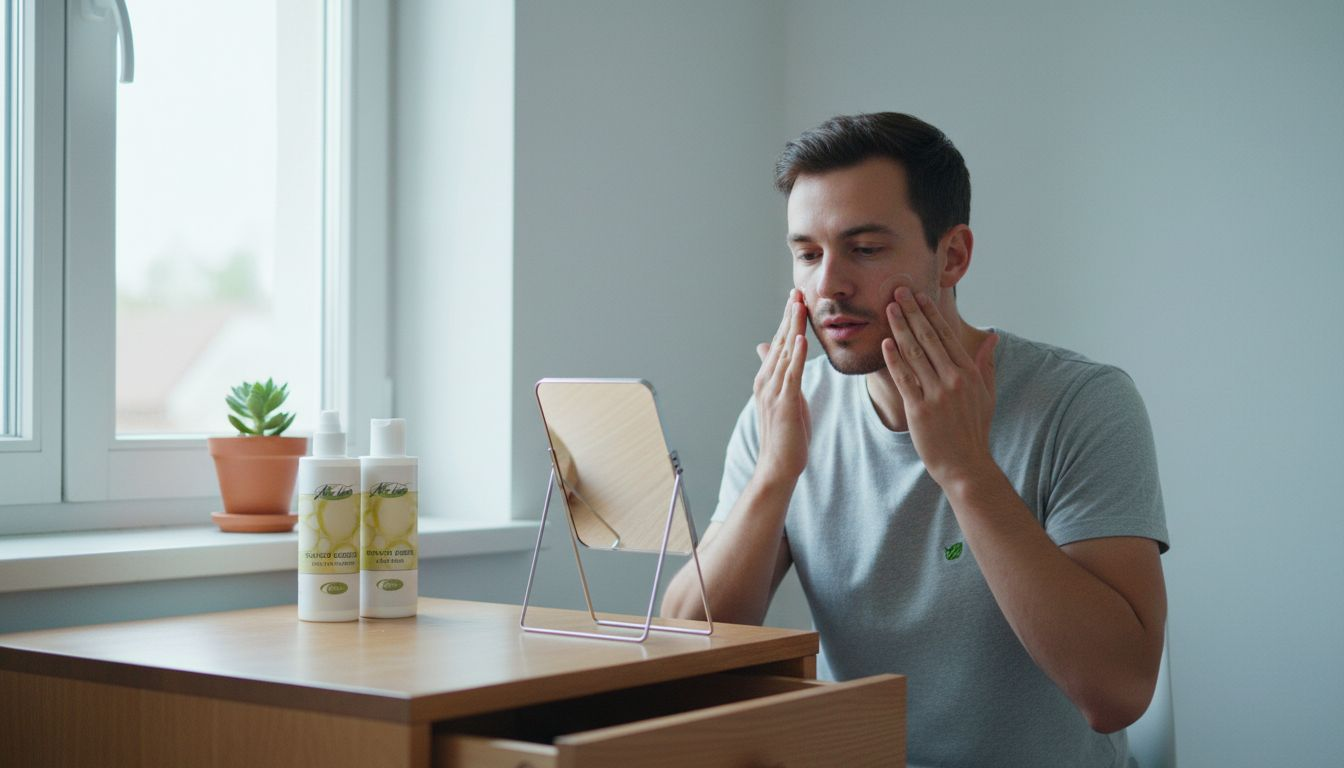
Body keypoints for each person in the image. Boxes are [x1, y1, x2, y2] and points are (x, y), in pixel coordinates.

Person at [661, 112, 1169, 767]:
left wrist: (966, 471)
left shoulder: (1082, 404)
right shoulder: (787, 408)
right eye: (808, 254)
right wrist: (776, 473)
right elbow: (679, 650)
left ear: (952, 255)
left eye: (865, 249)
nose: (829, 286)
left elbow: (1119, 692)